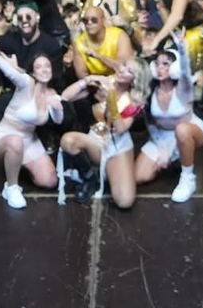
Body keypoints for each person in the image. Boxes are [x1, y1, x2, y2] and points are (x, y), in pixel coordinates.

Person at [0, 35, 81, 209]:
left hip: (29, 140)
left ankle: (21, 165)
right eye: (39, 66)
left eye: (47, 66)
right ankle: (11, 187)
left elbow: (58, 120)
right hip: (6, 137)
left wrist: (58, 107)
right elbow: (9, 71)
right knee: (15, 141)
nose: (44, 69)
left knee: (50, 181)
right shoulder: (26, 83)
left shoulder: (51, 94)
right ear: (33, 72)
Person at [58, 59, 147, 209]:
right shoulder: (102, 84)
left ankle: (110, 173)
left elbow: (120, 128)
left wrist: (111, 98)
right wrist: (88, 80)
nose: (122, 70)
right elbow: (65, 97)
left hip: (118, 147)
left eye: (129, 71)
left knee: (124, 201)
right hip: (96, 140)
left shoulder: (134, 99)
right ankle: (89, 178)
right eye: (124, 65)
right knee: (68, 140)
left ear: (135, 79)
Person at [134, 42, 203, 204]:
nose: (160, 67)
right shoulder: (151, 91)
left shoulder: (183, 89)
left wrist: (182, 48)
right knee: (139, 176)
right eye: (157, 64)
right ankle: (173, 161)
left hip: (189, 130)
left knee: (182, 130)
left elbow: (186, 73)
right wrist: (162, 149)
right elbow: (151, 123)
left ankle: (187, 177)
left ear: (175, 67)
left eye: (166, 64)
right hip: (162, 136)